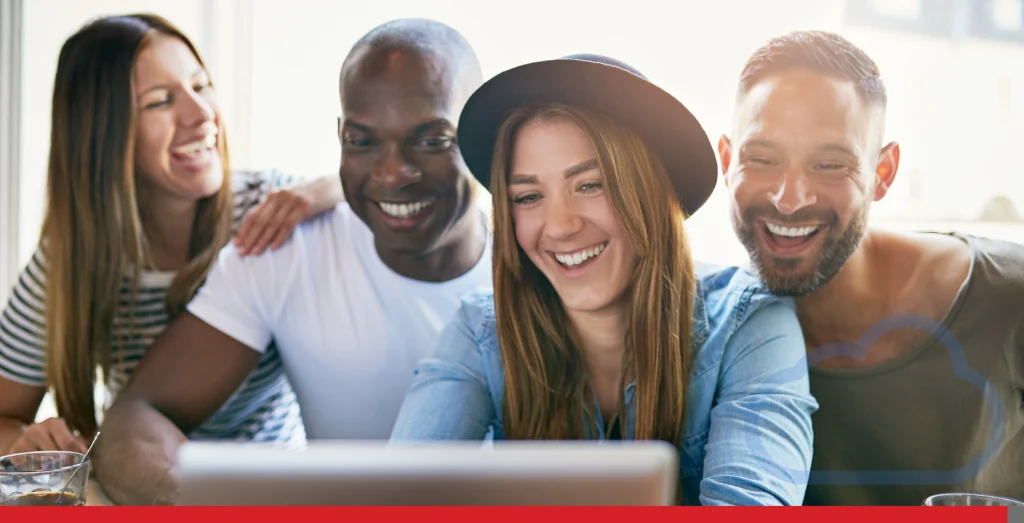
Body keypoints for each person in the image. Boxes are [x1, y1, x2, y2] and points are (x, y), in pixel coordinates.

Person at [94, 18, 493, 505]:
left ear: (479, 135)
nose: (392, 174)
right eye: (363, 142)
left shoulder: (550, 258)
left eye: (432, 141)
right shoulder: (284, 250)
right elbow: (135, 417)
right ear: (341, 136)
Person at [390, 54, 818, 506]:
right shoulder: (481, 330)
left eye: (590, 185)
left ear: (650, 194)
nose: (559, 226)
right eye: (529, 196)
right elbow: (399, 499)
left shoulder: (750, 325)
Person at [0, 14, 344, 457]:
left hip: (274, 487)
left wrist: (329, 188)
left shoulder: (267, 211)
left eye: (201, 87)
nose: (201, 114)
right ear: (101, 134)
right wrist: (26, 442)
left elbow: (378, 191)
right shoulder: (66, 263)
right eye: (161, 101)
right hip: (140, 487)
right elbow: (5, 417)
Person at [718, 30, 1024, 505]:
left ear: (882, 174)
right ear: (726, 161)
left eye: (829, 164)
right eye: (762, 158)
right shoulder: (708, 334)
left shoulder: (1009, 298)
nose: (789, 197)